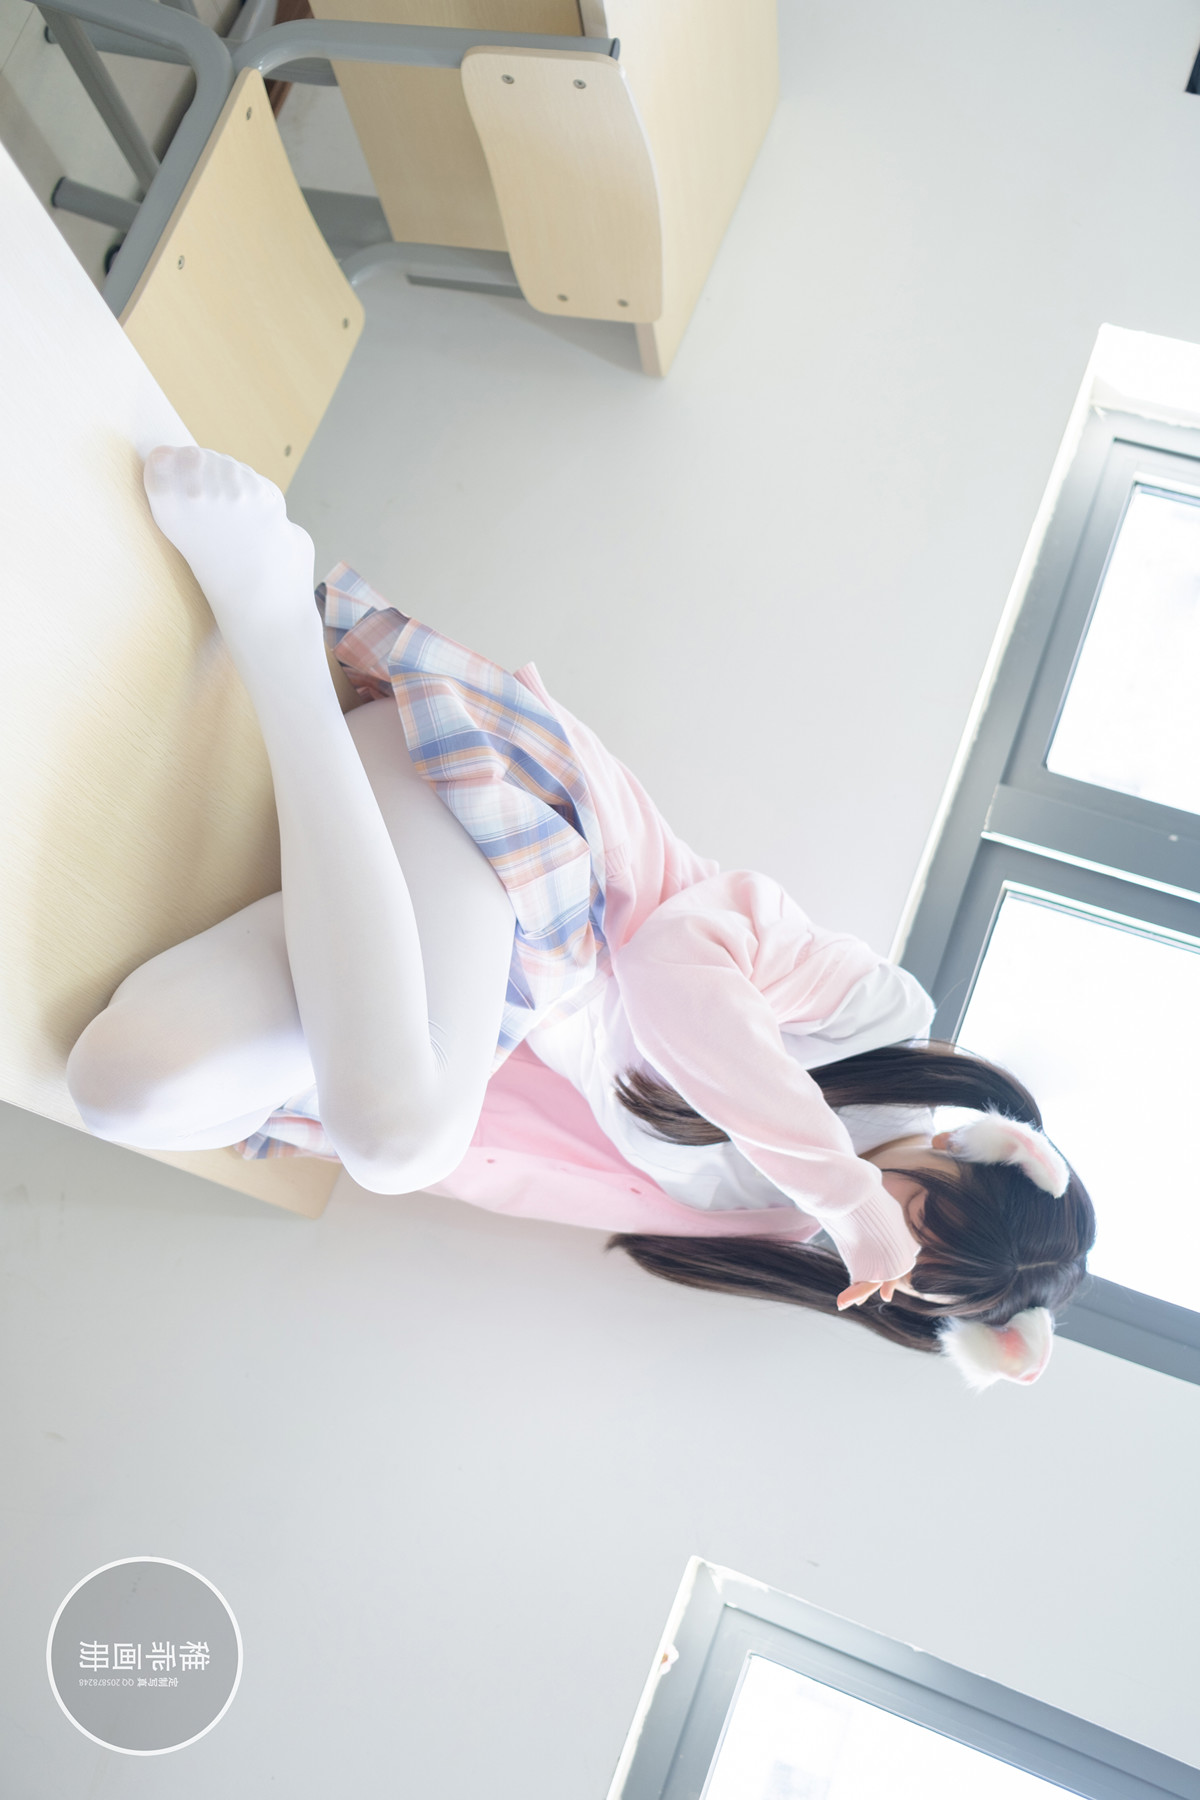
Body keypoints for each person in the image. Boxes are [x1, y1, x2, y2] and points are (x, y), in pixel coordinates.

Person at [67, 448, 1095, 1390]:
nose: (901, 1241)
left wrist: (826, 1203)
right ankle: (270, 626)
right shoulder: (878, 1022)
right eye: (926, 1213)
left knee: (123, 1088)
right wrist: (842, 1189)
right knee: (399, 1142)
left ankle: (312, 881)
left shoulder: (768, 1216)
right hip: (508, 846)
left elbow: (524, 1151)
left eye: (924, 1276)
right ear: (975, 1152)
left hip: (433, 980)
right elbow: (670, 968)